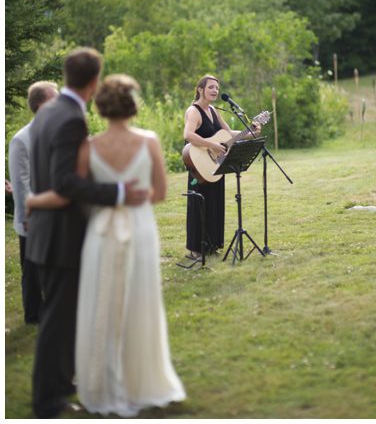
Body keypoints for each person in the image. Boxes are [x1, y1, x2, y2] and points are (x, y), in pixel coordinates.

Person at [27, 75, 186, 416]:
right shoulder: (150, 141)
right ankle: (142, 381)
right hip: (140, 228)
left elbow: (76, 193)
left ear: (100, 107)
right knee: (140, 303)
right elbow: (159, 194)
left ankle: (102, 383)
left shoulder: (89, 146)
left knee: (103, 305)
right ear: (133, 104)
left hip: (100, 232)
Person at [8, 81, 58, 324]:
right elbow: (21, 184)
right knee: (32, 268)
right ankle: (34, 315)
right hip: (33, 216)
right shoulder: (21, 140)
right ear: (40, 105)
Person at [183, 75, 236, 259]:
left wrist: (251, 131)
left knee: (214, 203)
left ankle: (212, 245)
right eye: (211, 87)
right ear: (200, 89)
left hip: (213, 165)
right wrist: (212, 145)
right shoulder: (194, 111)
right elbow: (188, 134)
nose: (215, 91)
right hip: (199, 165)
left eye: (217, 88)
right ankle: (196, 249)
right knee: (199, 205)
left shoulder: (213, 110)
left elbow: (229, 134)